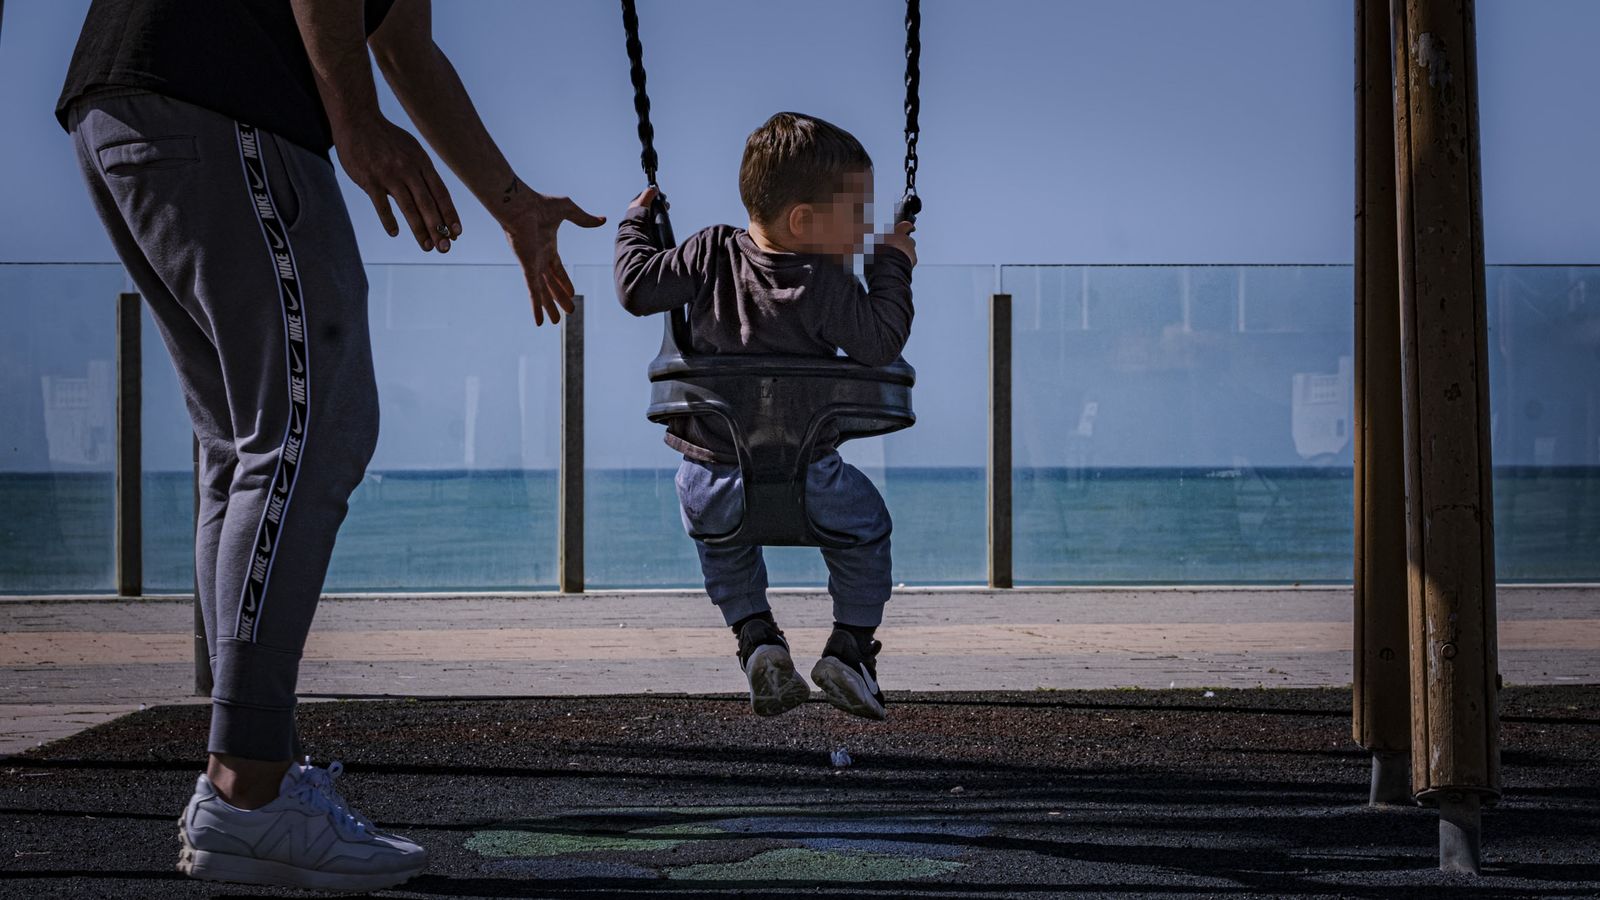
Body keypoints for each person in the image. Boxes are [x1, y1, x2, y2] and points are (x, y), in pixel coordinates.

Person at [56, 0, 604, 890]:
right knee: (316, 428)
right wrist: (352, 120)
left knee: (246, 449)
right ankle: (246, 793)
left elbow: (405, 44)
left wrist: (513, 204)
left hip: (131, 107)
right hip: (216, 96)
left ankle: (250, 776)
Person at [614, 111, 916, 723]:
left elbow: (636, 288)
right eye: (857, 215)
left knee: (723, 548)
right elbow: (882, 341)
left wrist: (636, 223)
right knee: (867, 533)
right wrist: (893, 264)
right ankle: (850, 649)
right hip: (813, 476)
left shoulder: (705, 251)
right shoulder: (828, 285)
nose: (864, 232)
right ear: (803, 221)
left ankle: (757, 640)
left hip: (710, 477)